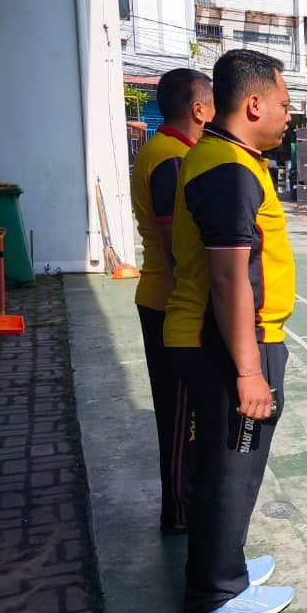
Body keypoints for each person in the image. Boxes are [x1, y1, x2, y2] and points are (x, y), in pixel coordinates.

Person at [163, 49, 296, 613]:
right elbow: (227, 278)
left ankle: (224, 564)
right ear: (255, 104)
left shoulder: (231, 159)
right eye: (285, 104)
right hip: (226, 345)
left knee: (230, 462)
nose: (290, 115)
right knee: (230, 464)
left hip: (233, 338)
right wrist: (248, 371)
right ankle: (214, 591)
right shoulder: (227, 170)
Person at [130, 67, 213, 534]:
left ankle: (184, 505)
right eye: (214, 101)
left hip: (167, 299)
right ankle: (180, 511)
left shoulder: (168, 151)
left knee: (184, 412)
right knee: (182, 415)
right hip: (171, 304)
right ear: (199, 109)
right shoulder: (172, 159)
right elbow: (175, 243)